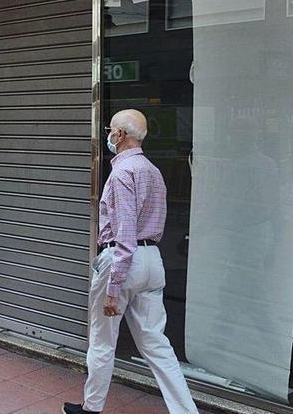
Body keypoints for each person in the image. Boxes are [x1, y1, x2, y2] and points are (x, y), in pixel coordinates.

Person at [64, 109, 198, 414]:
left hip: (123, 260)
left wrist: (113, 288)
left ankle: (91, 408)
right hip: (152, 259)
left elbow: (124, 231)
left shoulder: (123, 173)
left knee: (102, 340)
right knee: (157, 345)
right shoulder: (153, 171)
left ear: (121, 135)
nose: (109, 135)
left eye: (111, 129)